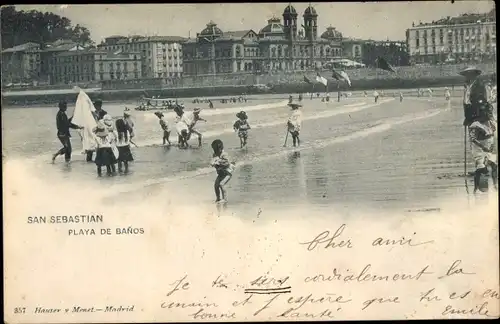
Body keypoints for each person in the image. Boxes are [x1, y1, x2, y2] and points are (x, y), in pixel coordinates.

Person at [469, 108, 497, 192]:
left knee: (494, 165)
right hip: (479, 148)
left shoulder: (491, 123)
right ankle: (476, 187)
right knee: (481, 168)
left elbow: (493, 134)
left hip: (489, 147)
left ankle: (495, 184)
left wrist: (492, 146)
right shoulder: (475, 125)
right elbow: (473, 139)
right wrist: (482, 147)